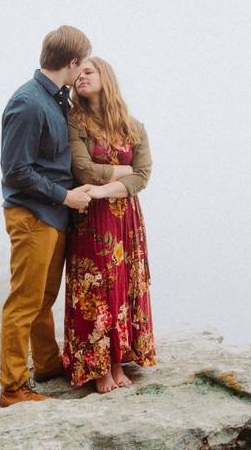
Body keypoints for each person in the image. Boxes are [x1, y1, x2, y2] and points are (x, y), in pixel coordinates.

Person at [0, 25, 94, 407]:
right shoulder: (28, 103)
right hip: (33, 214)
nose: (82, 70)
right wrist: (65, 196)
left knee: (43, 299)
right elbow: (16, 170)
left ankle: (48, 364)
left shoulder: (56, 100)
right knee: (24, 301)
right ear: (71, 63)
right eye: (81, 63)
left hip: (54, 215)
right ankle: (13, 388)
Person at [63, 57, 156, 393]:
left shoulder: (134, 126)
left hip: (126, 218)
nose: (81, 78)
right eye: (78, 75)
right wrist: (120, 172)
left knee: (122, 286)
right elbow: (83, 171)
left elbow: (143, 176)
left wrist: (104, 187)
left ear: (106, 76)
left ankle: (117, 361)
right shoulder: (75, 122)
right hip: (92, 218)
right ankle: (98, 367)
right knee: (96, 289)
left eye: (89, 72)